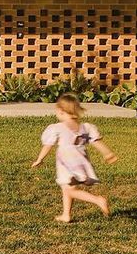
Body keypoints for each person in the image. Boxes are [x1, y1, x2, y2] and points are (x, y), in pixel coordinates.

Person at [31, 93, 117, 223]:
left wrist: (40, 159)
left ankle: (98, 200)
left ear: (60, 111)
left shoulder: (57, 128)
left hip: (67, 162)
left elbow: (48, 145)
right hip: (81, 160)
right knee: (68, 188)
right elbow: (96, 142)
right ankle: (66, 215)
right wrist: (107, 153)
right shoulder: (85, 128)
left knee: (69, 189)